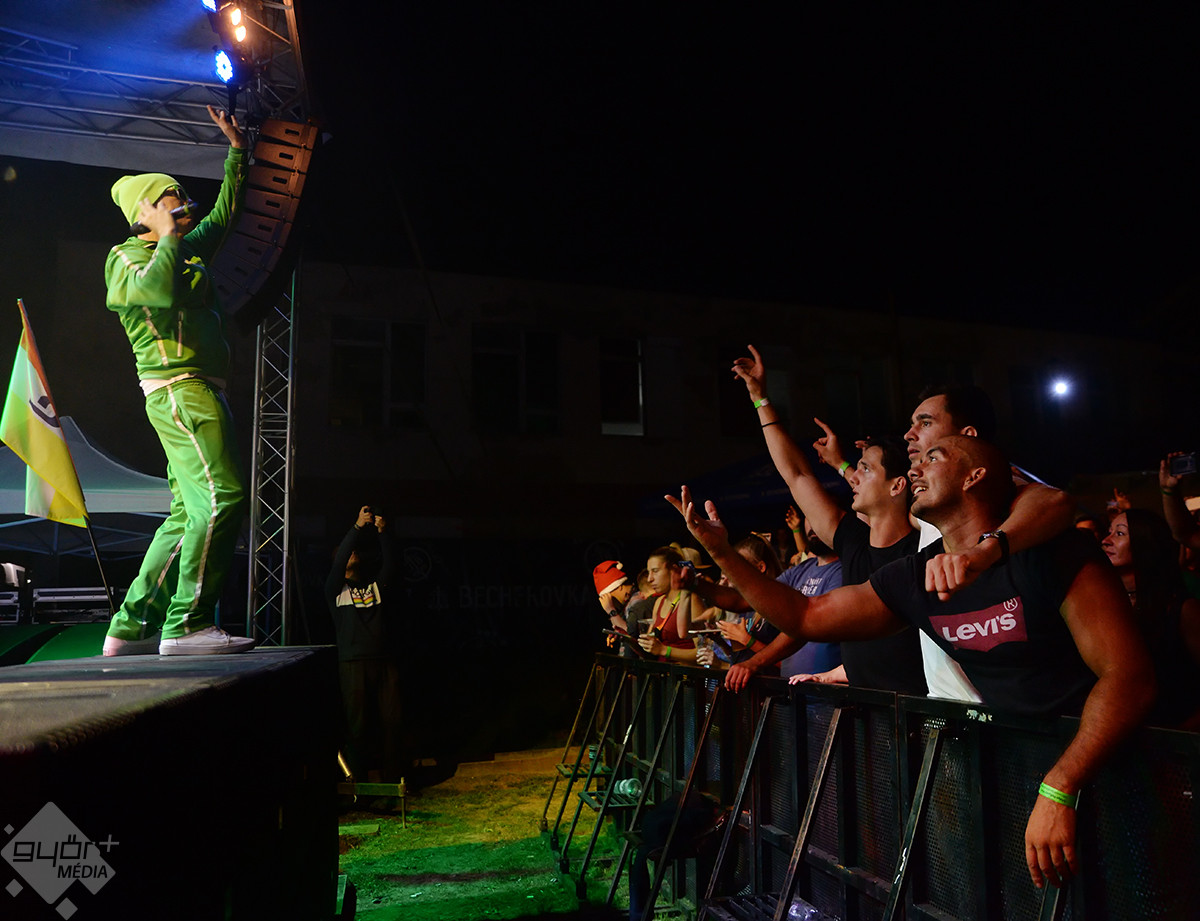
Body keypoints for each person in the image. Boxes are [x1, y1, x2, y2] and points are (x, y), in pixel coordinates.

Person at [667, 435, 1155, 890]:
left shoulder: (1054, 551)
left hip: (1107, 769)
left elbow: (1128, 676)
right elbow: (805, 616)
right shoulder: (916, 575)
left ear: (975, 476)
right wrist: (721, 552)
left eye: (933, 458)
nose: (916, 466)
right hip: (1017, 772)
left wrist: (1061, 785)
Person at [102, 105, 254, 657]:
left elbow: (227, 215)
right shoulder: (125, 257)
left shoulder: (183, 248)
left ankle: (131, 626)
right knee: (223, 498)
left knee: (188, 513)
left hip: (199, 391)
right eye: (171, 197)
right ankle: (187, 624)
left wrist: (237, 154)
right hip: (180, 390)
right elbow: (156, 292)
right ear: (145, 211)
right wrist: (166, 238)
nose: (184, 202)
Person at [732, 344, 925, 694]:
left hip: (915, 712)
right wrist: (760, 399)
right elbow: (796, 475)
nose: (853, 476)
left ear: (898, 485)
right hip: (864, 709)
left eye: (865, 469)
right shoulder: (852, 540)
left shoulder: (923, 550)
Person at [1101, 509, 1200, 728]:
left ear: (1145, 542)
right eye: (1109, 532)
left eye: (1119, 533)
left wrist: (1182, 734)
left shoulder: (1182, 609)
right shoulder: (1106, 604)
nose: (1106, 541)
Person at [326, 505, 404, 780]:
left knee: (393, 722)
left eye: (355, 551)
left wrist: (383, 533)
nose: (352, 553)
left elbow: (391, 565)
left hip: (383, 661)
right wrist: (357, 527)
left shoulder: (374, 588)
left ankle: (394, 782)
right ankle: (359, 787)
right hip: (353, 663)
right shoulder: (335, 589)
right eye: (346, 553)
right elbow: (340, 560)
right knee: (357, 727)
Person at [637, 546, 703, 663]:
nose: (649, 579)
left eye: (655, 571)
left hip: (684, 673)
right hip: (663, 671)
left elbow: (703, 652)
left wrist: (664, 650)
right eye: (649, 572)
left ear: (673, 570)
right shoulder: (659, 602)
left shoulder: (691, 601)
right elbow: (652, 647)